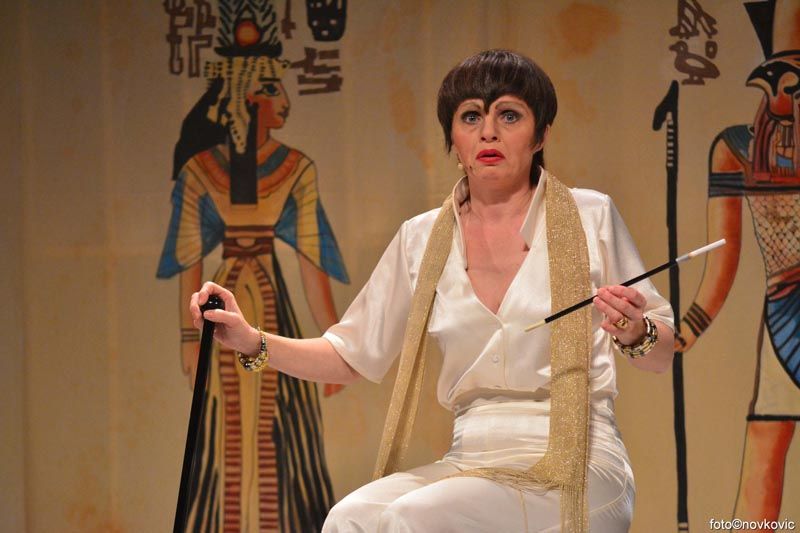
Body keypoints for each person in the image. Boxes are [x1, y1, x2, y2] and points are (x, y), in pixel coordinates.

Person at [189, 49, 675, 532]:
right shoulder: (420, 239)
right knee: (350, 518)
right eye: (471, 117)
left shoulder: (590, 216)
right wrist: (251, 340)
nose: (488, 132)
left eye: (509, 115)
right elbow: (349, 355)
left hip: (578, 458)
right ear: (453, 139)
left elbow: (661, 353)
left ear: (541, 135)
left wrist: (636, 332)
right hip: (471, 458)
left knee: (414, 518)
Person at [158, 54, 348, 531]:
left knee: (279, 431)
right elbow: (189, 259)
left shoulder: (296, 168)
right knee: (223, 431)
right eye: (269, 89)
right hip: (222, 304)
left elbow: (311, 259)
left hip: (269, 304)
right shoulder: (201, 169)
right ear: (245, 99)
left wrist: (339, 344)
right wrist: (189, 339)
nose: (282, 100)